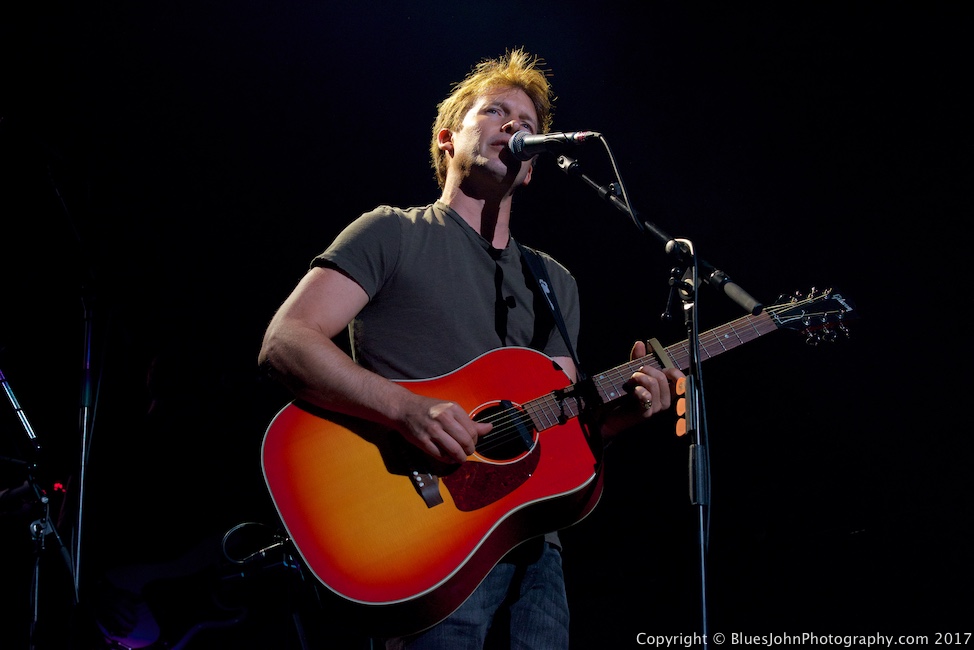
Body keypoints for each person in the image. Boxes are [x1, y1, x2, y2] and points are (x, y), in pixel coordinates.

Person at [257, 48, 684, 649]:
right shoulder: (393, 232)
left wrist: (621, 418)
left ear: (532, 167)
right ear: (446, 138)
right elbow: (287, 341)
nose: (515, 127)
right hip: (423, 534)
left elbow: (557, 426)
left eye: (529, 125)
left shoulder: (554, 283)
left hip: (534, 550)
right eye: (496, 112)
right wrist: (406, 410)